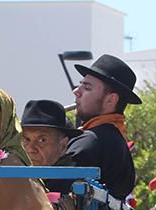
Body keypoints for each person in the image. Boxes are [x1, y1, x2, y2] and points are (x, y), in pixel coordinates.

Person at [50, 54, 140, 200]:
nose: (76, 91)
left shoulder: (92, 141)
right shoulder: (114, 139)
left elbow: (48, 188)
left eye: (87, 87)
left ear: (111, 100)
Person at [20, 99, 80, 167]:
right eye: (26, 139)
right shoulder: (11, 174)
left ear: (63, 146)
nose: (30, 149)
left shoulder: (77, 176)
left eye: (42, 140)